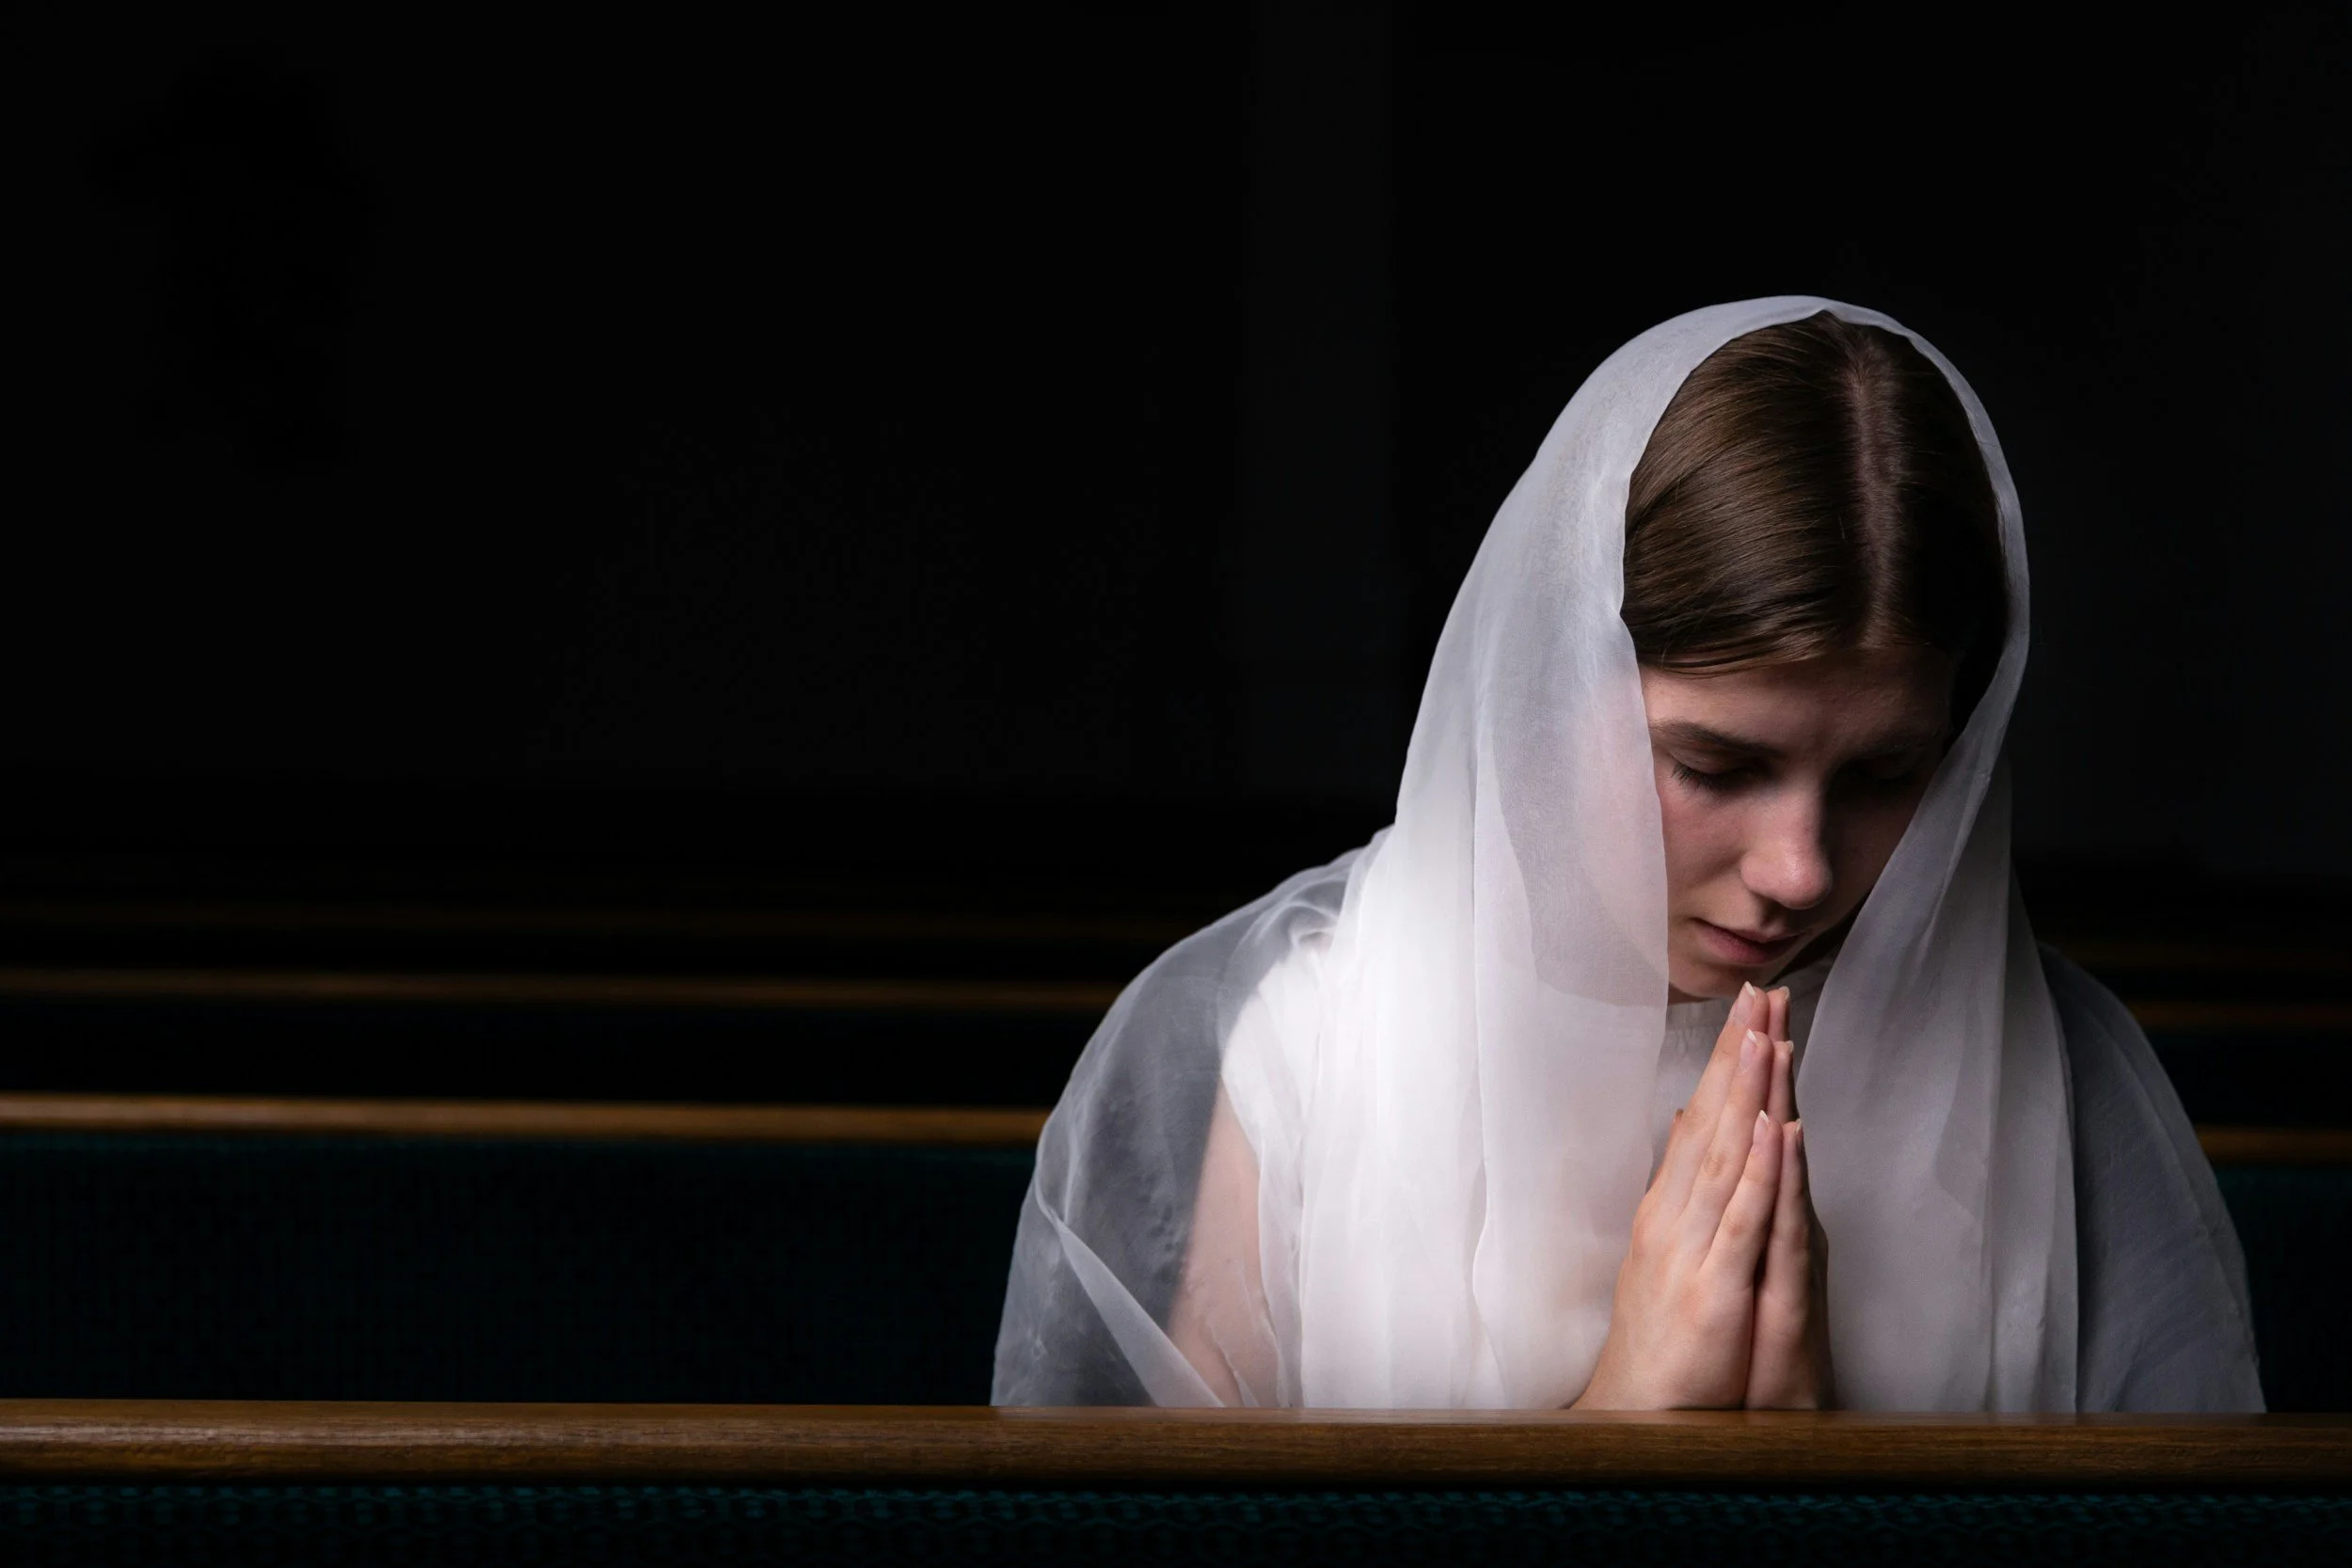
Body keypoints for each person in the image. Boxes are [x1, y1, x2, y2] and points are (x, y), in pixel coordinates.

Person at [992, 298, 2261, 1412]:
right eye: (1715, 765)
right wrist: (1621, 1431)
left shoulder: (2061, 1071)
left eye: (1886, 774)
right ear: (1553, 689)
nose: (1802, 869)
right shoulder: (1299, 1049)